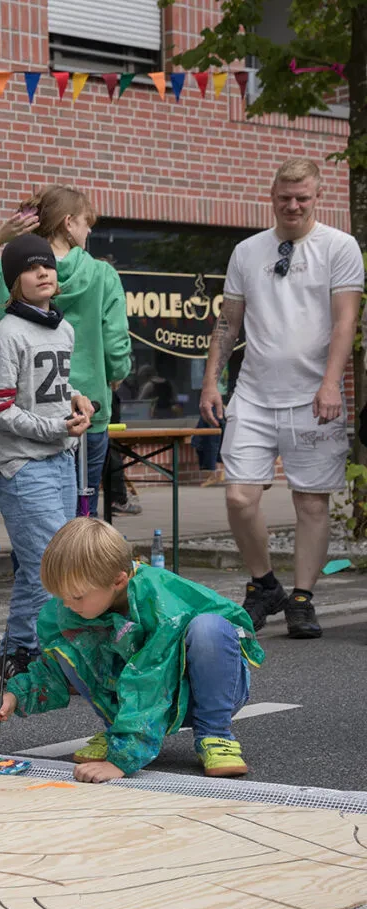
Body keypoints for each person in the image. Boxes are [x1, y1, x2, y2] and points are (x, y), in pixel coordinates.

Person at [200, 158, 363, 640]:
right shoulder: (247, 251)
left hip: (314, 395)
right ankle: (263, 583)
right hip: (253, 392)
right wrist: (213, 381)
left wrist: (331, 383)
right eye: (284, 197)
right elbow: (228, 322)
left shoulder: (340, 246)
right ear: (272, 196)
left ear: (318, 195)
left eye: (303, 198)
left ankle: (302, 599)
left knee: (311, 504)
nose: (293, 205)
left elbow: (344, 321)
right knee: (239, 496)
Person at [0, 517, 263, 780]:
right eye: (61, 596)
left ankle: (215, 735)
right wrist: (15, 695)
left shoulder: (159, 604)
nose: (67, 604)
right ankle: (118, 732)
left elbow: (151, 680)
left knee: (208, 628)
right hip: (148, 697)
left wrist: (122, 760)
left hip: (203, 696)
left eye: (77, 596)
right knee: (67, 645)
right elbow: (53, 667)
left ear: (118, 581)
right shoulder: (77, 603)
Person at [0, 186, 131, 513]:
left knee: (33, 517)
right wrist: (115, 376)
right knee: (83, 519)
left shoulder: (10, 272)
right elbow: (116, 347)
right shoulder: (102, 275)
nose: (89, 230)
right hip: (89, 411)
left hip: (29, 416)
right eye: (87, 222)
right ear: (69, 223)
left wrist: (0, 235)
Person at [0, 235, 93, 683]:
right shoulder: (4, 335)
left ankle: (29, 649)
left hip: (61, 459)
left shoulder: (63, 330)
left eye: (47, 265)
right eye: (29, 268)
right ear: (13, 282)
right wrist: (53, 429)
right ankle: (25, 651)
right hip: (22, 464)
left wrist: (78, 400)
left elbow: (52, 389)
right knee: (48, 563)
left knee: (55, 563)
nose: (43, 272)